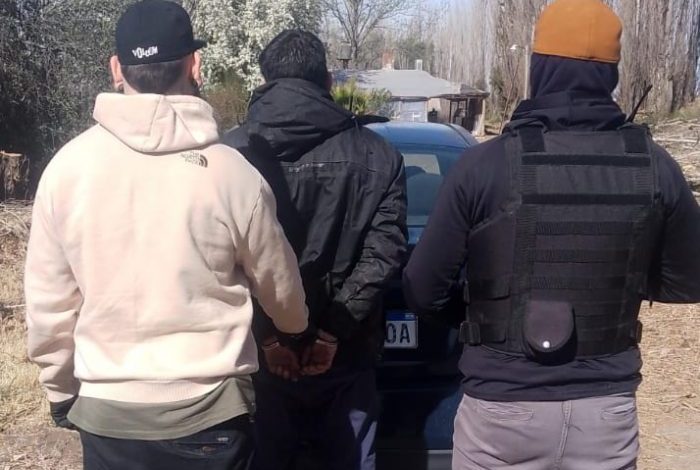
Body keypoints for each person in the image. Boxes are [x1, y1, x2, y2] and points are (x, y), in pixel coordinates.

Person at [403, 0, 700, 469]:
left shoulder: (484, 165)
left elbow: (422, 288)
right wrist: (621, 274)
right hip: (604, 412)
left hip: (503, 407)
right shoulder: (655, 166)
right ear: (611, 75)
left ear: (538, 67)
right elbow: (689, 281)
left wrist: (484, 314)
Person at [24, 2, 309, 469]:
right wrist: (294, 328)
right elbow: (280, 285)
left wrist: (59, 389)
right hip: (211, 414)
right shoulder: (232, 174)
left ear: (117, 70)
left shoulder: (66, 170)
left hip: (108, 413)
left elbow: (48, 303)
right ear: (195, 65)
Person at [224, 30, 407, 470]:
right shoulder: (378, 155)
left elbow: (219, 260)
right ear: (327, 81)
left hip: (257, 359)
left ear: (264, 82)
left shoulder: (228, 157)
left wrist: (270, 338)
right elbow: (383, 253)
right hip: (347, 353)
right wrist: (330, 334)